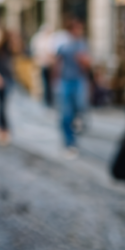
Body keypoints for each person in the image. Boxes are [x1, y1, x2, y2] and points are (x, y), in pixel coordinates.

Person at [55, 17, 90, 158]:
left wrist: (83, 61)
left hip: (79, 80)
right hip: (65, 81)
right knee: (66, 114)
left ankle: (77, 124)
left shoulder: (82, 44)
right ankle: (69, 142)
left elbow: (88, 64)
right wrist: (55, 81)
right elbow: (57, 62)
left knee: (79, 107)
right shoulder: (63, 44)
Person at [31, 25, 56, 107]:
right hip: (41, 63)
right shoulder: (39, 38)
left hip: (50, 65)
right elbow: (35, 51)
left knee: (50, 83)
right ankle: (46, 99)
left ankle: (50, 99)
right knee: (43, 82)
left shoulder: (51, 38)